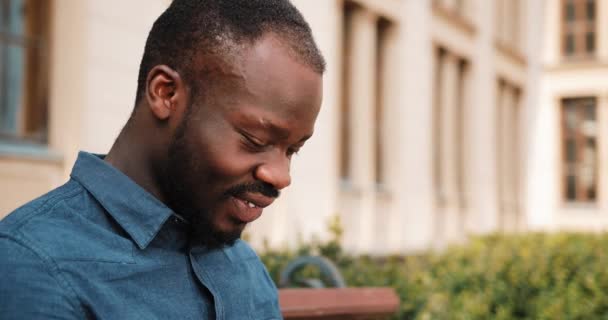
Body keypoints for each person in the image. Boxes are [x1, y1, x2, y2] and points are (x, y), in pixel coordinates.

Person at [0, 0, 325, 318]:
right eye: (255, 140)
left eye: (292, 150)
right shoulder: (34, 266)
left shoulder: (244, 267)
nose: (281, 176)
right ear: (165, 93)